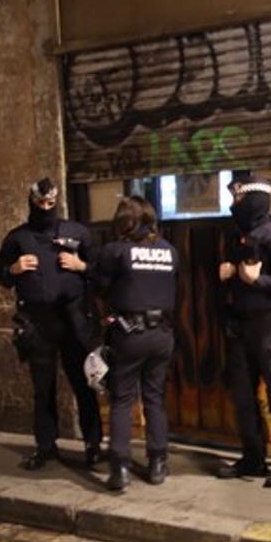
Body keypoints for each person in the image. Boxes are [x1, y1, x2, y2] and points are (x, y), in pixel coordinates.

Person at [0, 177, 103, 470]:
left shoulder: (77, 232)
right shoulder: (17, 238)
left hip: (73, 322)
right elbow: (0, 274)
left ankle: (93, 446)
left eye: (50, 203)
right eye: (40, 203)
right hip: (37, 324)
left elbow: (101, 269)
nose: (45, 208)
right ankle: (46, 447)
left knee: (83, 386)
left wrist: (80, 266)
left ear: (57, 202)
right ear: (31, 202)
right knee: (43, 389)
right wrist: (13, 269)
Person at [215, 174, 271, 488]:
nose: (232, 205)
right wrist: (230, 273)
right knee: (243, 397)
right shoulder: (240, 235)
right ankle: (252, 458)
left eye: (238, 199)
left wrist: (259, 281)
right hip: (240, 329)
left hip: (270, 328)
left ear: (254, 200)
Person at [90, 196, 178, 492]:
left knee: (122, 400)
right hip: (162, 334)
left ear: (124, 222)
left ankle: (121, 468)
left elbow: (99, 286)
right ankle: (157, 464)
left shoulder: (115, 251)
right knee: (154, 398)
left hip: (130, 334)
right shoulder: (169, 251)